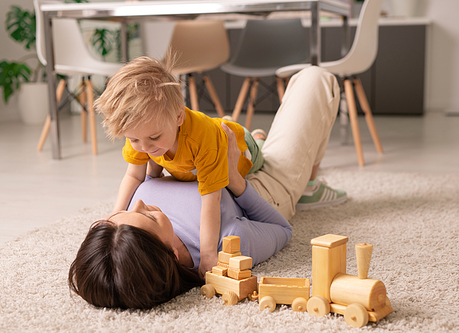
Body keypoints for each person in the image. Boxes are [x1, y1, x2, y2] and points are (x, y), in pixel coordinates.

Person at [69, 65, 347, 310]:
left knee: (237, 139)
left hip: (201, 158)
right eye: (149, 215)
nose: (138, 204)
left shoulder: (121, 239)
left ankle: (254, 144)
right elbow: (283, 230)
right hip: (253, 186)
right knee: (315, 78)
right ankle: (300, 182)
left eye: (118, 217)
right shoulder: (226, 243)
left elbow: (140, 175)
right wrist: (235, 180)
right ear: (172, 252)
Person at [94, 56, 265, 277]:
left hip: (243, 151)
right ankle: (225, 122)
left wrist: (208, 254)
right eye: (134, 140)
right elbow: (134, 176)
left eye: (154, 137)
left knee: (261, 156)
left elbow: (211, 199)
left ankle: (259, 138)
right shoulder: (141, 131)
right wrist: (115, 216)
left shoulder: (201, 140)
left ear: (178, 117)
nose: (143, 147)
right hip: (191, 163)